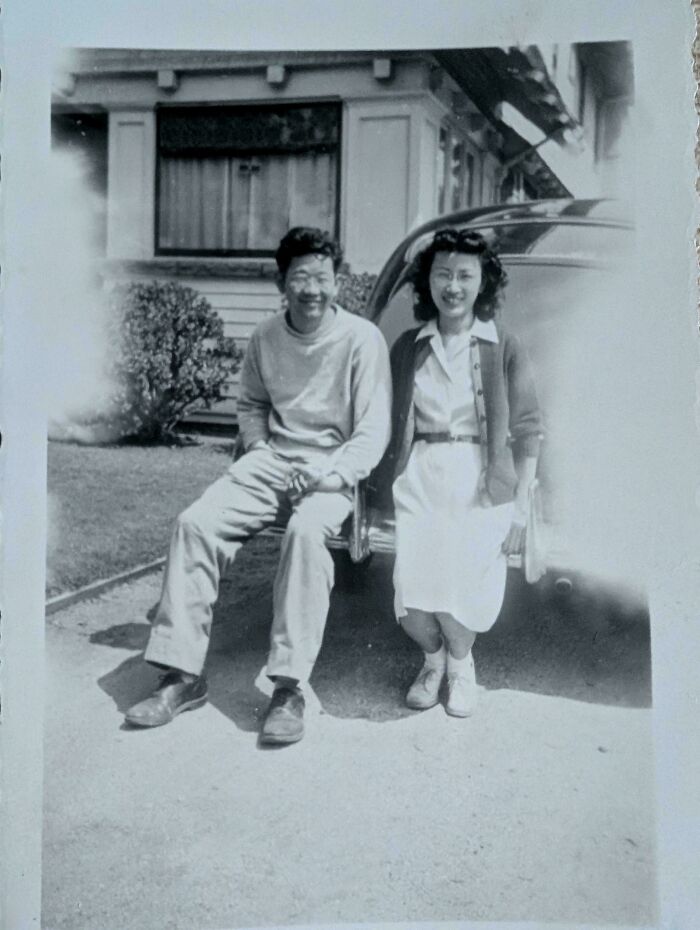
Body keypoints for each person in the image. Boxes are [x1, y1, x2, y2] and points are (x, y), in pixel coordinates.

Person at [125, 226, 391, 744]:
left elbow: (372, 429)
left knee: (306, 536)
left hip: (332, 470)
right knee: (195, 524)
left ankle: (289, 687)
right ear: (281, 283)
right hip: (271, 462)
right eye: (300, 278)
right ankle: (182, 674)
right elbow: (251, 405)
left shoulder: (362, 339)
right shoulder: (266, 336)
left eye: (322, 278)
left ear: (339, 282)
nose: (312, 290)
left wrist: (329, 473)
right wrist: (262, 449)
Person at [369, 228, 542, 718]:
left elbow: (528, 431)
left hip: (482, 483)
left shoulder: (503, 345)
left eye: (465, 275)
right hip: (422, 477)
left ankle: (462, 671)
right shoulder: (408, 346)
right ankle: (432, 662)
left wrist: (522, 509)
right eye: (442, 273)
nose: (453, 285)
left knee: (461, 593)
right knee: (415, 597)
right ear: (428, 280)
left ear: (482, 281)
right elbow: (382, 417)